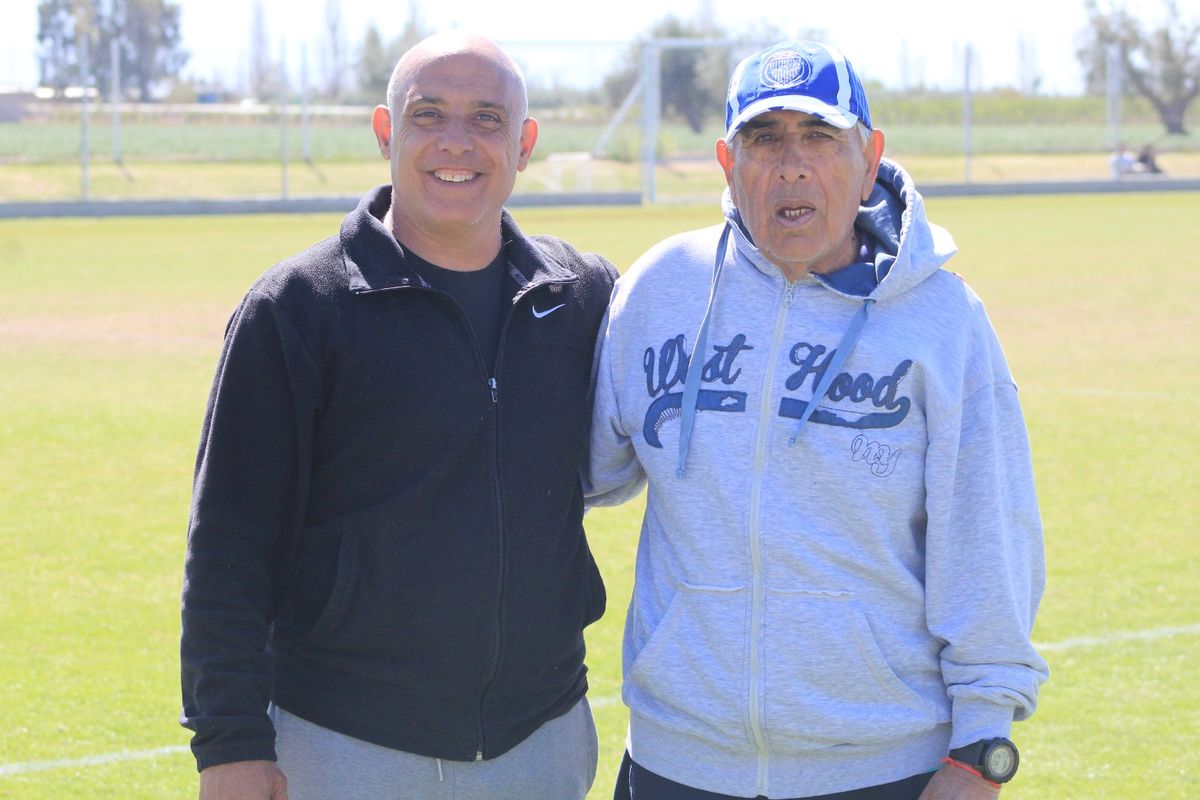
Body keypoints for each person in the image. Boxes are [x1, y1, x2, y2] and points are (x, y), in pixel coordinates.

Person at [586, 41, 1049, 800]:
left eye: (820, 138)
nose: (791, 166)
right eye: (765, 139)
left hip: (881, 767)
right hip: (679, 763)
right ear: (727, 164)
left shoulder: (942, 321)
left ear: (869, 159)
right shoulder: (660, 291)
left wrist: (981, 748)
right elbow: (573, 474)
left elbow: (989, 538)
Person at [180, 32, 616, 800]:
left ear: (525, 142)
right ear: (387, 132)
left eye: (486, 119)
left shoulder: (581, 297)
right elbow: (228, 546)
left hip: (542, 741)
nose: (457, 143)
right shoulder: (296, 309)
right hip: (344, 744)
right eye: (428, 115)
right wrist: (230, 745)